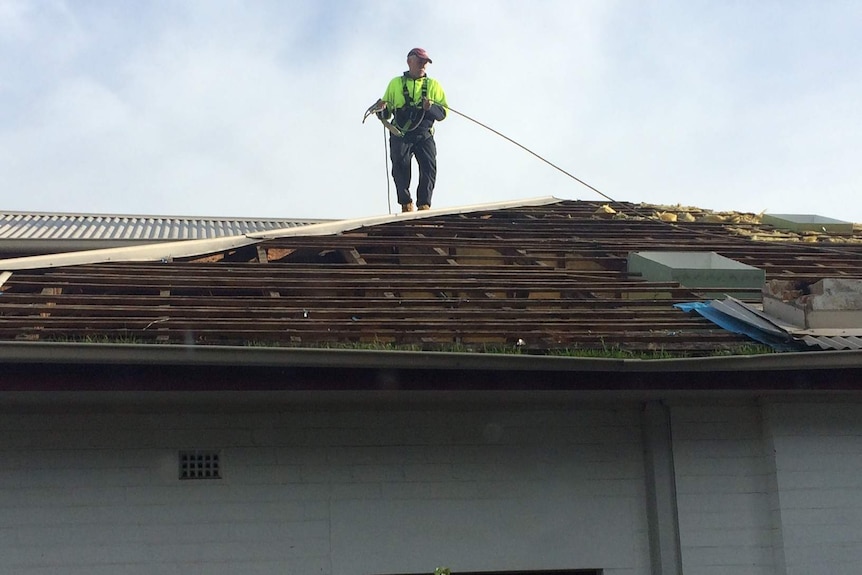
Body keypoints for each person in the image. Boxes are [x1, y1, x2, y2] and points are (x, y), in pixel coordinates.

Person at [372, 48, 448, 212]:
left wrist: (430, 108)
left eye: (425, 62)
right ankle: (406, 203)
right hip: (401, 133)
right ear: (409, 61)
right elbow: (386, 112)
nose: (423, 65)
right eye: (420, 61)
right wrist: (381, 110)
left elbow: (442, 114)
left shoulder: (434, 86)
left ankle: (424, 205)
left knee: (428, 167)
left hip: (423, 134)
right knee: (400, 166)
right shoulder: (395, 84)